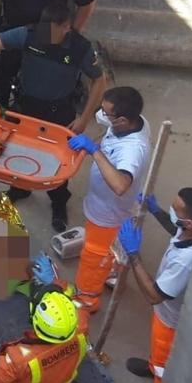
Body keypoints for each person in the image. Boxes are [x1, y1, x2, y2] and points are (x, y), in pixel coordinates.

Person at [0, 1, 109, 232]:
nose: (47, 34)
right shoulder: (29, 34)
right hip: (27, 108)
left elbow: (100, 80)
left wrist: (84, 118)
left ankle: (58, 200)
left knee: (57, 161)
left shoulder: (80, 48)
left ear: (67, 27)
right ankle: (21, 187)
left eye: (54, 29)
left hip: (59, 112)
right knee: (20, 152)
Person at [117, 187, 192, 383]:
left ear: (188, 223)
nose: (171, 211)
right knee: (157, 352)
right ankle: (152, 366)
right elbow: (175, 228)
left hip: (169, 322)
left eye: (175, 210)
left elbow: (154, 295)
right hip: (163, 314)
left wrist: (133, 254)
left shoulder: (186, 261)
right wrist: (155, 210)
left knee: (164, 363)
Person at [66, 87, 150, 313]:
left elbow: (121, 185)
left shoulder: (133, 150)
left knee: (92, 256)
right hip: (103, 204)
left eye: (106, 113)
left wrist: (95, 151)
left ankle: (87, 299)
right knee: (109, 249)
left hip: (108, 212)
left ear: (122, 120)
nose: (100, 116)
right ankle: (111, 269)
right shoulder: (135, 121)